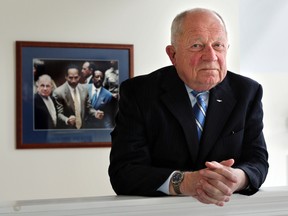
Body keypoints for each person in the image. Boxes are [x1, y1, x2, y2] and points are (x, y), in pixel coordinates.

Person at [108, 8, 269, 207]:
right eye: (197, 45)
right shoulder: (139, 93)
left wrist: (235, 178)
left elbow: (257, 162)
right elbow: (124, 172)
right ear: (172, 54)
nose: (210, 56)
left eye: (218, 45)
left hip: (227, 210)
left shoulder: (247, 92)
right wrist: (184, 182)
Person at [53, 64, 104, 129]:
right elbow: (58, 114)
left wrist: (95, 113)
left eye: (76, 77)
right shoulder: (58, 92)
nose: (73, 81)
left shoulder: (84, 89)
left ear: (79, 76)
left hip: (82, 129)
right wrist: (67, 120)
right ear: (66, 77)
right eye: (70, 77)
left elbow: (88, 108)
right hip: (67, 131)